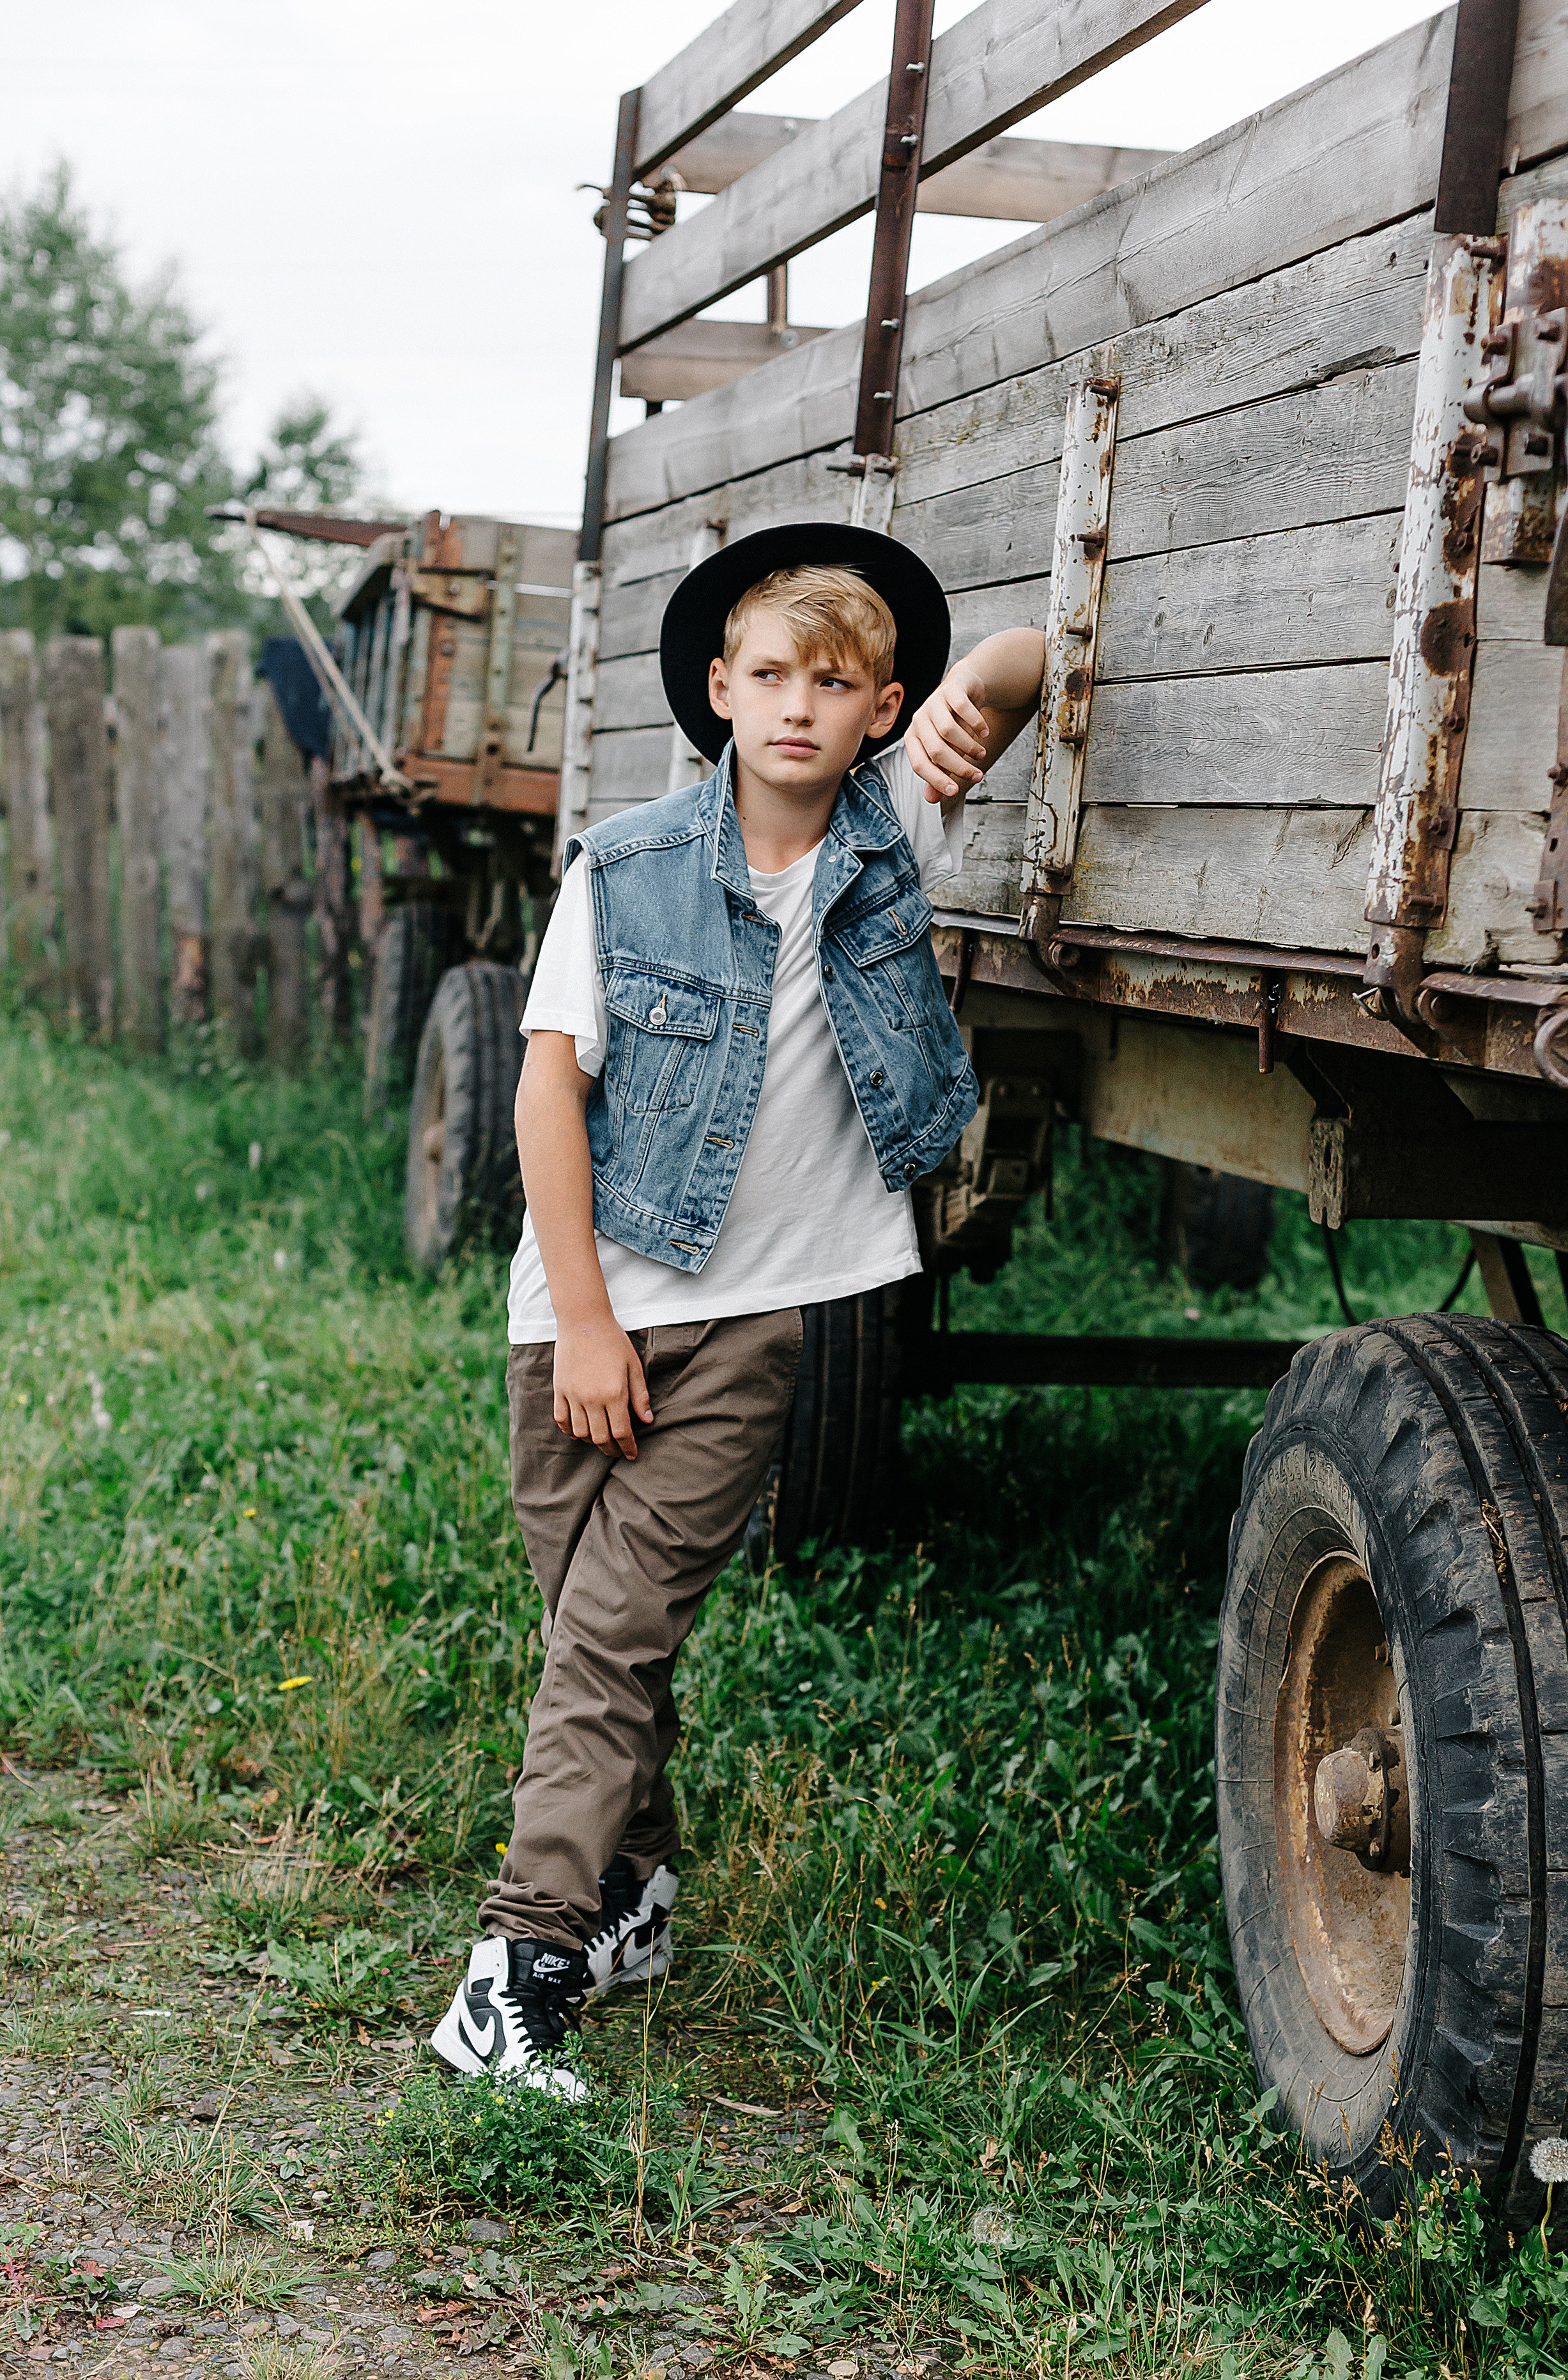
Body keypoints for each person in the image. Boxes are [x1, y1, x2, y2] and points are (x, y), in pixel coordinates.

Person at [430, 522, 1045, 2096]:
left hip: (757, 1321)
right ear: (719, 688)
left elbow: (1036, 654)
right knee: (593, 1632)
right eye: (768, 675)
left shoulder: (890, 834)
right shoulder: (625, 867)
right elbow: (546, 1096)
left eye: (833, 685)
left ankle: (516, 1970)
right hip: (577, 1308)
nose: (796, 707)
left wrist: (987, 690)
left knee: (612, 1638)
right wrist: (582, 1321)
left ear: (878, 711)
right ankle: (635, 1889)